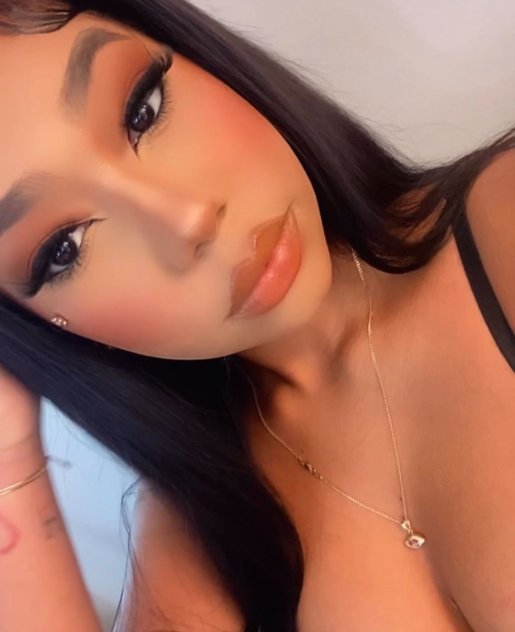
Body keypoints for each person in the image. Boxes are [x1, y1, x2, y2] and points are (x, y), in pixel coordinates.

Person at [0, 1, 513, 630]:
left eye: (143, 109)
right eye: (64, 248)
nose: (188, 220)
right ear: (45, 328)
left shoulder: (502, 225)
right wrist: (10, 454)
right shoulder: (200, 539)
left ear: (197, 57)